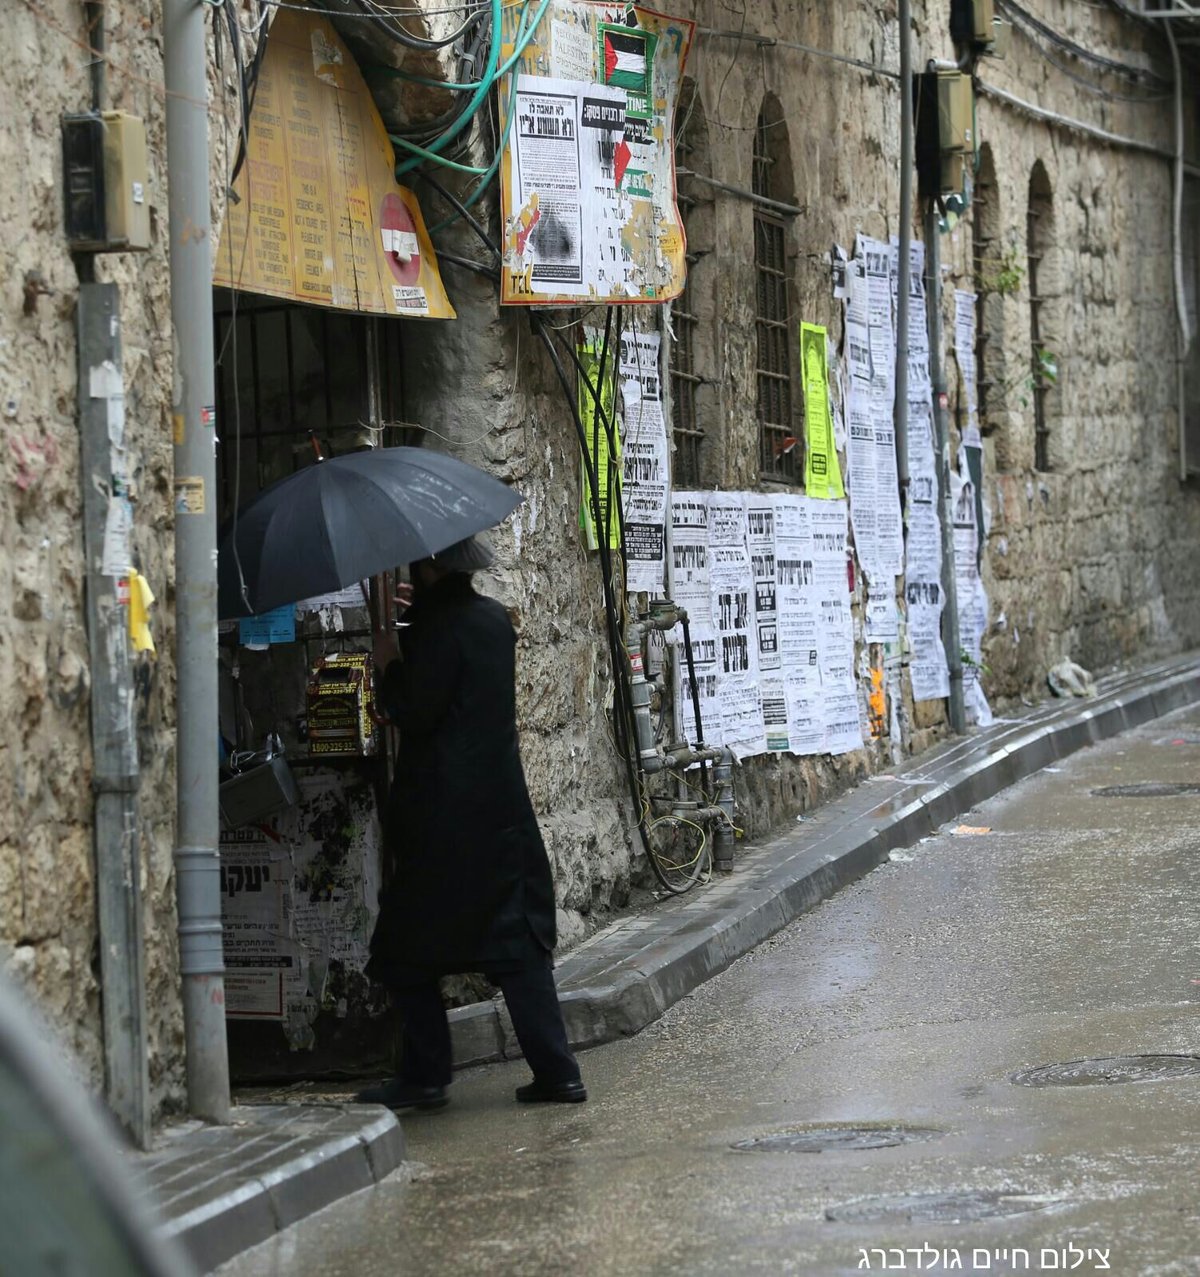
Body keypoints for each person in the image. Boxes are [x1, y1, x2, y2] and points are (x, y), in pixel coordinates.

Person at [358, 535, 585, 1111]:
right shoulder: (490, 622)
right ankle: (558, 1074)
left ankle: (426, 1075)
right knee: (517, 946)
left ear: (430, 568)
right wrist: (416, 630)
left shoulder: (434, 632)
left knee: (405, 950)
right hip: (501, 812)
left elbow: (415, 710)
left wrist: (389, 661)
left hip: (443, 821)